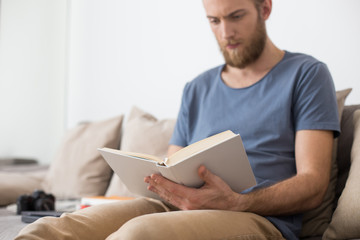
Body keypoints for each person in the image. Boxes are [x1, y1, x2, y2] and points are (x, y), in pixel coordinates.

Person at [15, 0, 340, 239]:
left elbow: (312, 184)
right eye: (214, 20)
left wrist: (238, 202)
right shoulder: (197, 88)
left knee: (138, 235)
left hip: (259, 218)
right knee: (52, 230)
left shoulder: (307, 75)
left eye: (236, 16)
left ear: (265, 8)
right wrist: (160, 182)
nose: (225, 32)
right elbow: (173, 163)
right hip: (179, 207)